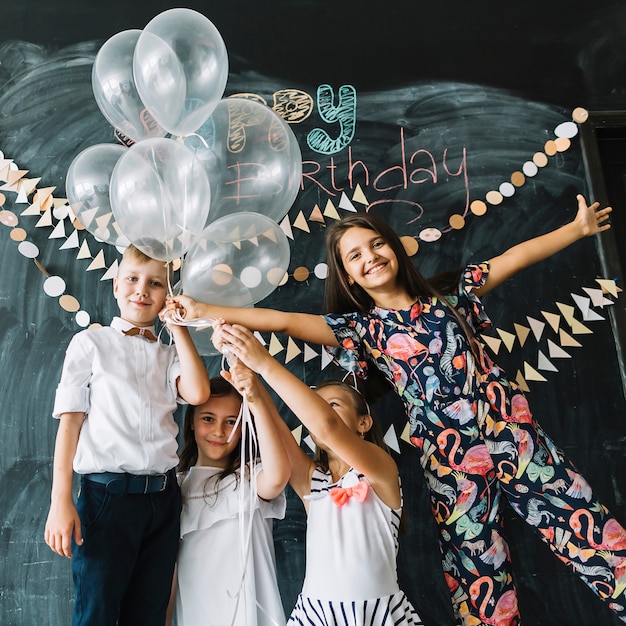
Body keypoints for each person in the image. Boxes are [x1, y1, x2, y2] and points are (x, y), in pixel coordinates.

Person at [167, 195, 626, 625]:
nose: (370, 258)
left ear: (394, 247)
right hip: (453, 465)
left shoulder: (451, 293)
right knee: (481, 577)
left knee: (594, 533)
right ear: (349, 277)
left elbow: (514, 258)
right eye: (354, 256)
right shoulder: (362, 329)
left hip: (517, 439)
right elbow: (285, 321)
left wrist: (576, 229)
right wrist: (204, 307)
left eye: (376, 244)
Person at [44, 244, 211, 626]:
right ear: (116, 286)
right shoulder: (91, 343)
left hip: (163, 500)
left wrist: (179, 329)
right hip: (107, 499)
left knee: (149, 614)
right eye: (133, 279)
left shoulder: (169, 356)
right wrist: (60, 501)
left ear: (167, 296)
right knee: (97, 613)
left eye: (156, 283)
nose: (142, 290)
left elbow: (198, 393)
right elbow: (69, 423)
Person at [214, 320, 423, 625]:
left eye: (332, 404)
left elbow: (327, 425)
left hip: (377, 615)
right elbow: (274, 424)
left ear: (363, 423)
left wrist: (264, 362)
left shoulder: (380, 468)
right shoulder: (315, 481)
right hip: (316, 615)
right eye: (315, 404)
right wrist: (249, 380)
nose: (318, 412)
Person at [167, 374, 289, 626]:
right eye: (208, 419)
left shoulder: (251, 477)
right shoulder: (174, 487)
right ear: (191, 421)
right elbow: (168, 573)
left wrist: (254, 399)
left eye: (232, 422)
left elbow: (277, 477)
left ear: (245, 427)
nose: (219, 431)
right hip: (196, 614)